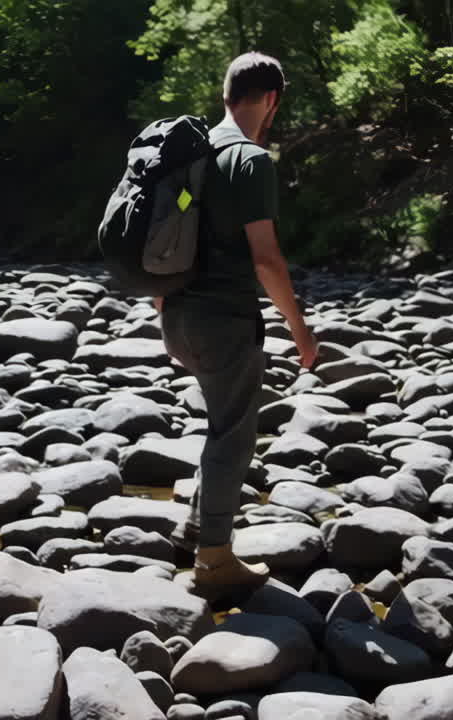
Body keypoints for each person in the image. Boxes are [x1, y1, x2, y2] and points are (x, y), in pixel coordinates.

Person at [156, 52, 319, 592]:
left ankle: (196, 524)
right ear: (272, 100)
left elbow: (167, 234)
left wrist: (165, 307)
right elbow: (266, 259)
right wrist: (300, 329)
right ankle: (215, 562)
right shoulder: (250, 162)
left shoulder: (188, 159)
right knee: (234, 435)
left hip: (177, 315)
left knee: (219, 424)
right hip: (223, 319)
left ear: (226, 96)